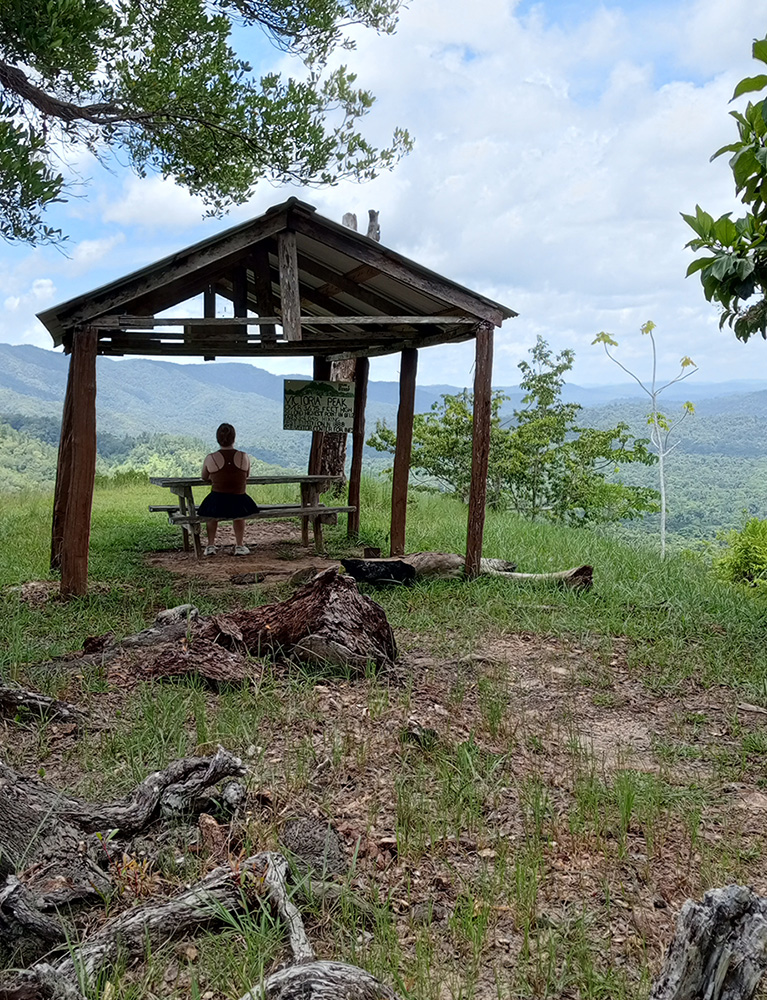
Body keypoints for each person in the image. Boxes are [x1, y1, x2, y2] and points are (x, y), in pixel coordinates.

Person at [197, 423, 258, 556]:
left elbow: (204, 476)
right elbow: (246, 475)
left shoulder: (211, 458)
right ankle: (239, 545)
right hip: (239, 499)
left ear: (218, 438)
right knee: (239, 515)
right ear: (234, 438)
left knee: (210, 514)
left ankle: (211, 545)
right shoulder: (243, 456)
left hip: (217, 499)